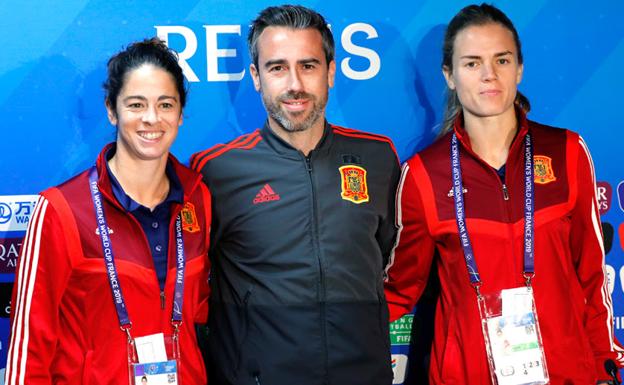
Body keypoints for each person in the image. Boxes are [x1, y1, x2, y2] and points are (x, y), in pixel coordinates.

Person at [384, 3, 623, 385]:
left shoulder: (566, 151)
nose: (489, 75)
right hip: (465, 375)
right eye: (472, 63)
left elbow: (592, 275)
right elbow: (400, 287)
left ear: (519, 68)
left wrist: (605, 366)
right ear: (449, 75)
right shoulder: (424, 174)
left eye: (502, 59)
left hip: (567, 374)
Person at [190, 5, 400, 385]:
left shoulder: (377, 157)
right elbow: (191, 284)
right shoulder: (216, 171)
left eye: (308, 65)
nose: (295, 84)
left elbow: (391, 260)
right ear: (255, 76)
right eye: (277, 68)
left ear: (331, 72)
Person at [4, 38, 211, 384]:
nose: (151, 118)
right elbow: (28, 354)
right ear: (112, 111)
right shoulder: (61, 209)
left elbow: (199, 312)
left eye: (165, 104)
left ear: (180, 114)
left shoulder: (197, 197)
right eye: (135, 104)